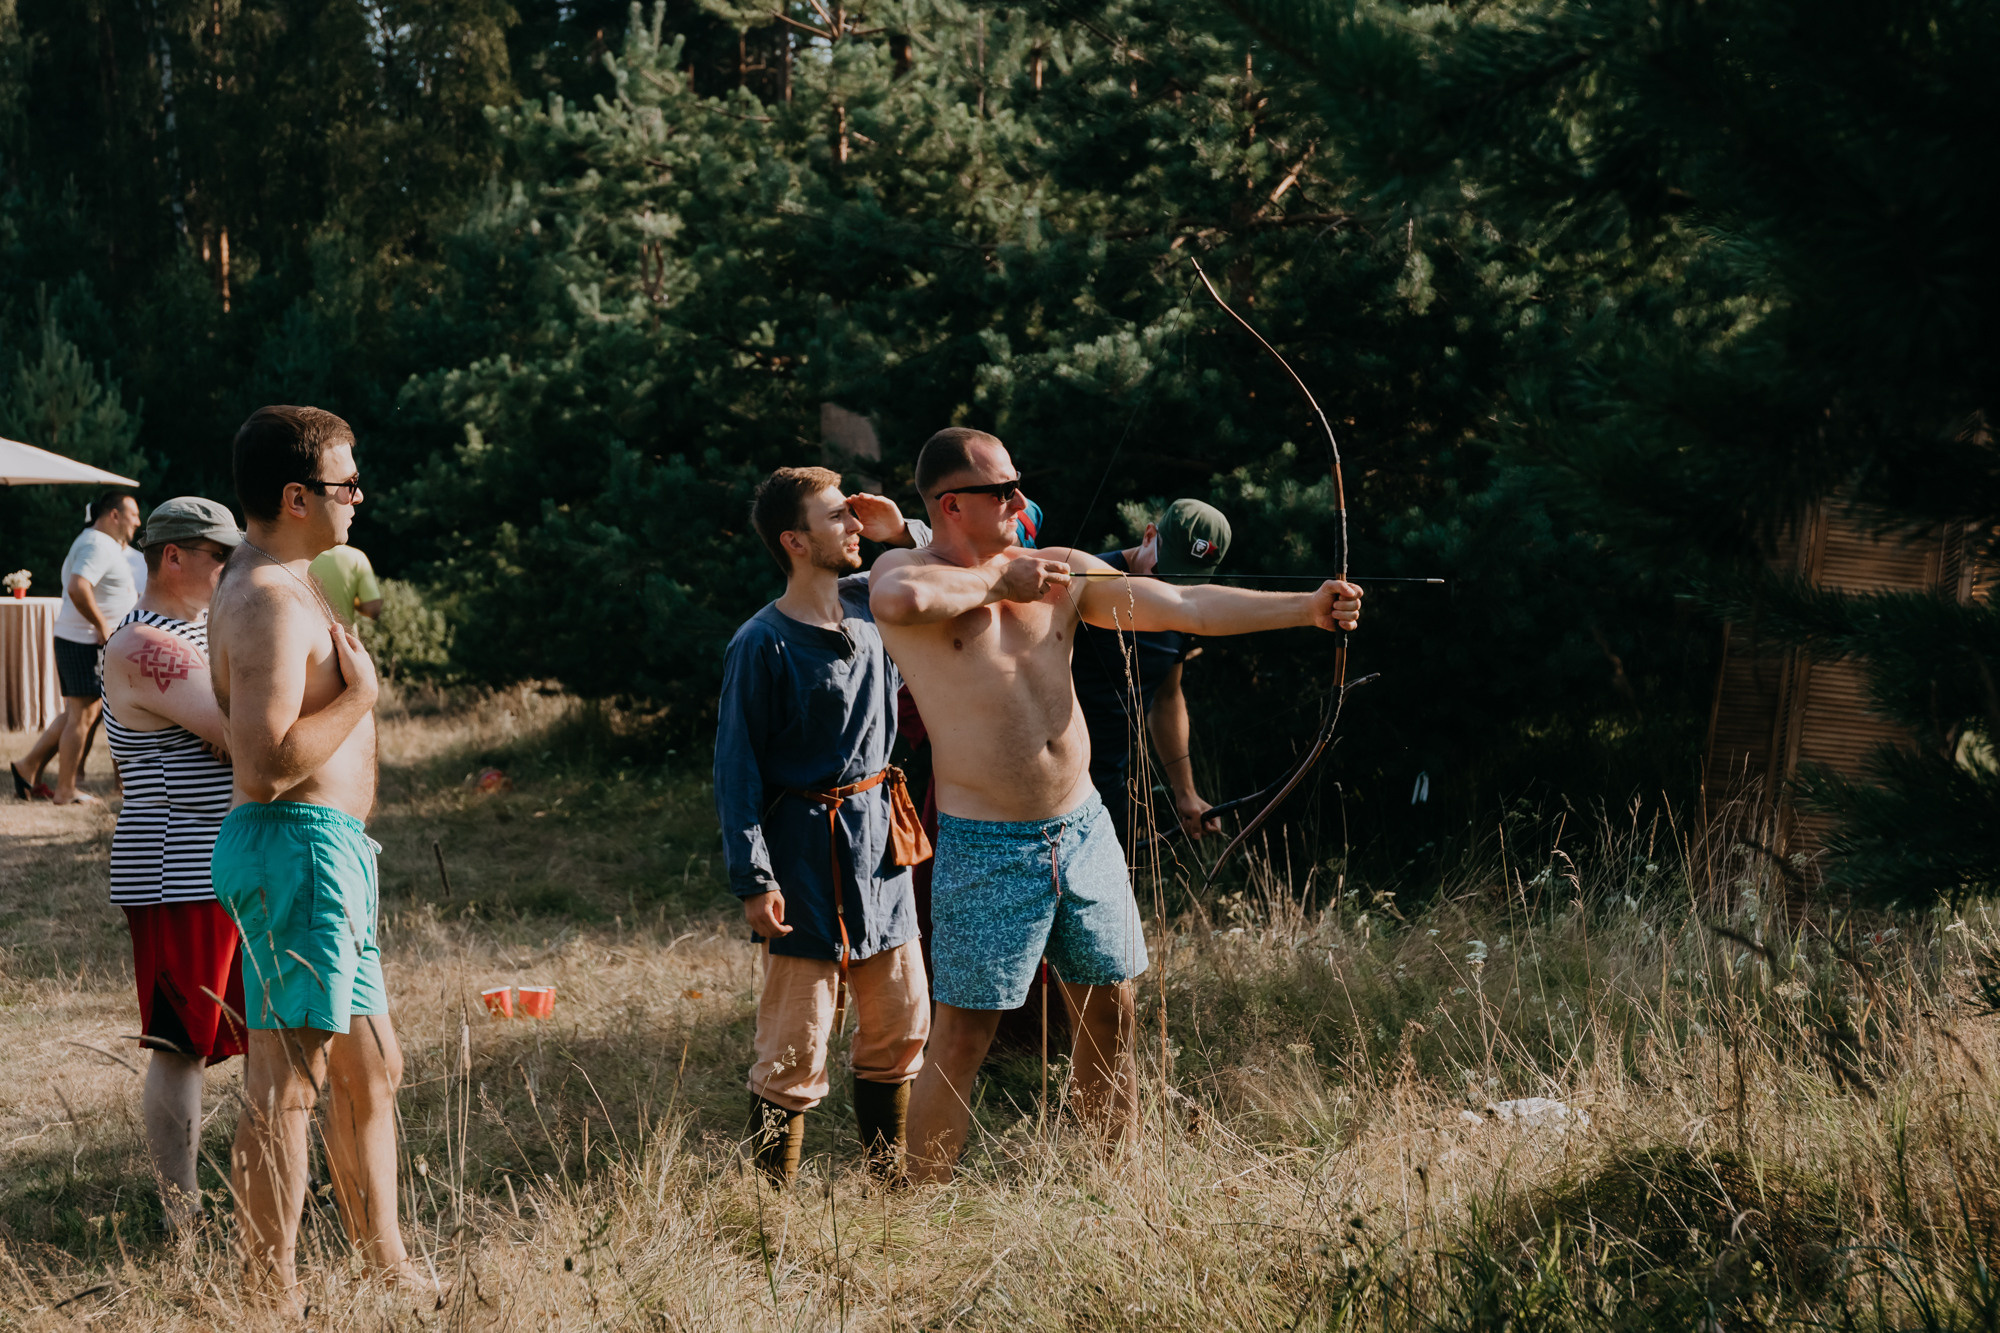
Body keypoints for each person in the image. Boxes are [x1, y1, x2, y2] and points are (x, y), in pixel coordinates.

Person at [870, 428, 1361, 1183]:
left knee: (1111, 1009)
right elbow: (900, 598)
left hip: (1082, 824)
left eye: (1018, 485)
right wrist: (1007, 582)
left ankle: (1111, 1180)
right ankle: (916, 1207)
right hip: (985, 839)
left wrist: (1306, 610)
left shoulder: (1061, 573)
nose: (1019, 500)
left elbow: (1183, 604)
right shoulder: (908, 569)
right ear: (953, 504)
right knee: (964, 1034)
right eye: (1001, 490)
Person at [205, 406, 413, 1304]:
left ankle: (388, 1264)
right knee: (288, 1081)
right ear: (297, 496)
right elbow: (262, 766)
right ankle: (270, 1290)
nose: (359, 495)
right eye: (345, 482)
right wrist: (360, 694)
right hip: (300, 853)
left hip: (331, 855)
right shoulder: (263, 600)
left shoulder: (294, 577)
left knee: (373, 1067)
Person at [716, 466, 932, 1185]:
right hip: (803, 856)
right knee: (794, 1045)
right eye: (837, 516)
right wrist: (754, 877)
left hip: (881, 848)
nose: (854, 526)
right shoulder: (761, 642)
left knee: (900, 1025)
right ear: (794, 541)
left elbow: (948, 559)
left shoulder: (873, 602)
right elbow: (736, 769)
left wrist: (898, 525)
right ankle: (770, 1203)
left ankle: (886, 1179)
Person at [99, 497, 246, 1232]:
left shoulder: (194, 631)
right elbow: (242, 731)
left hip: (221, 858)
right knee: (181, 1043)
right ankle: (182, 1217)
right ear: (174, 556)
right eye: (224, 558)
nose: (235, 571)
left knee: (258, 1031)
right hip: (177, 863)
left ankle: (262, 1186)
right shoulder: (143, 642)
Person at [1071, 499, 1233, 849]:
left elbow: (1168, 696)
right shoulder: (1089, 581)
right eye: (1163, 572)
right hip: (1048, 785)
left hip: (1108, 788)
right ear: (1148, 536)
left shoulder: (1181, 609)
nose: (1167, 589)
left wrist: (1186, 792)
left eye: (1182, 581)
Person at [8, 489, 141, 805]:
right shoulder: (98, 544)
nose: (138, 521)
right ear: (114, 515)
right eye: (133, 514)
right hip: (83, 640)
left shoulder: (96, 542)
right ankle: (65, 789)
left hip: (78, 638)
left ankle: (26, 767)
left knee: (81, 713)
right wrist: (102, 625)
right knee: (82, 715)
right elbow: (78, 586)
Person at [309, 542, 383, 627]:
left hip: (305, 634)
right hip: (345, 635)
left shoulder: (298, 556)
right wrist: (354, 602)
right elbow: (373, 609)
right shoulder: (356, 557)